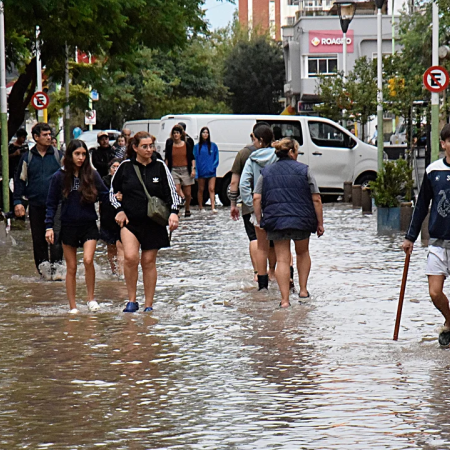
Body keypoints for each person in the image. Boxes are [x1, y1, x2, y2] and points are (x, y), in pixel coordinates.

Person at [111, 131, 180, 313]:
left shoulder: (160, 167)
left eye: (151, 146)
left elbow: (172, 193)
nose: (149, 150)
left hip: (154, 222)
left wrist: (174, 213)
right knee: (131, 257)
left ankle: (149, 305)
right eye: (145, 146)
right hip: (131, 221)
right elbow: (112, 192)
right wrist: (119, 210)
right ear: (135, 148)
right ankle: (132, 300)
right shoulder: (125, 167)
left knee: (148, 261)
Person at [253, 138, 324, 308]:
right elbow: (316, 199)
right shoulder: (305, 170)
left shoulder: (266, 172)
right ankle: (303, 291)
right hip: (302, 220)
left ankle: (284, 301)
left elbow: (256, 197)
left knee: (282, 259)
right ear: (291, 152)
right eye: (297, 151)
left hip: (276, 220)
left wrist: (260, 219)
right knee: (302, 253)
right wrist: (320, 223)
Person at [45, 139, 109, 314]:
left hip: (88, 224)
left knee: (88, 260)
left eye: (83, 154)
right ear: (70, 155)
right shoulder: (59, 177)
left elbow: (105, 195)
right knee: (71, 267)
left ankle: (91, 299)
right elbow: (51, 203)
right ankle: (72, 306)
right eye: (77, 154)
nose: (81, 158)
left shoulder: (91, 174)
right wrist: (48, 227)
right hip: (68, 225)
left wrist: (118, 199)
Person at [402, 124, 450, 347]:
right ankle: (449, 321)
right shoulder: (433, 171)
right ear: (443, 144)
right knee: (434, 292)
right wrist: (410, 237)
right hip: (438, 243)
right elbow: (421, 206)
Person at [14, 122, 64, 278]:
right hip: (36, 204)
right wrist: (18, 202)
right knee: (38, 240)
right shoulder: (27, 158)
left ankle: (57, 274)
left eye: (50, 134)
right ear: (36, 137)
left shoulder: (58, 156)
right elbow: (20, 181)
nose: (49, 137)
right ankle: (43, 274)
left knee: (56, 239)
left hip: (57, 205)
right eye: (45, 135)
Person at [228, 123, 269, 282]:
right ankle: (273, 272)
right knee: (272, 242)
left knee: (254, 239)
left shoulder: (243, 154)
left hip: (249, 203)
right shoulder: (275, 153)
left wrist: (233, 204)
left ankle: (257, 273)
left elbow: (234, 182)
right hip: (272, 203)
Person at [240, 124, 278, 291]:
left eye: (254, 139)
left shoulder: (252, 159)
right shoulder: (279, 156)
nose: (253, 142)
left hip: (260, 207)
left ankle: (263, 286)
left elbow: (243, 185)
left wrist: (251, 203)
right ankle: (284, 278)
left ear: (261, 140)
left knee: (261, 247)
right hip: (278, 207)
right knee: (281, 246)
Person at [164, 124, 195, 217]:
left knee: (188, 193)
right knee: (176, 189)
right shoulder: (169, 144)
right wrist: (166, 169)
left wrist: (193, 169)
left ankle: (187, 208)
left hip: (185, 169)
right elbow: (167, 158)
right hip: (174, 169)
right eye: (174, 133)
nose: (176, 135)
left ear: (181, 134)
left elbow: (192, 157)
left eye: (177, 133)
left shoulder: (187, 144)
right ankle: (179, 203)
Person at [101, 158, 124, 276]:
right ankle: (114, 270)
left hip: (122, 217)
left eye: (118, 166)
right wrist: (113, 197)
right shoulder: (104, 181)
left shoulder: (124, 180)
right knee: (111, 246)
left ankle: (121, 272)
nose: (116, 169)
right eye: (113, 166)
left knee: (120, 245)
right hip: (107, 218)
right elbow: (101, 196)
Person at [193, 127, 219, 213]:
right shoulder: (197, 147)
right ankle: (201, 206)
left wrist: (213, 167)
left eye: (207, 132)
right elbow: (194, 159)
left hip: (211, 172)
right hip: (201, 171)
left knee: (211, 189)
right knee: (201, 189)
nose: (205, 134)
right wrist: (196, 171)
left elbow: (216, 158)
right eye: (203, 132)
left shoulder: (213, 146)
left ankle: (213, 207)